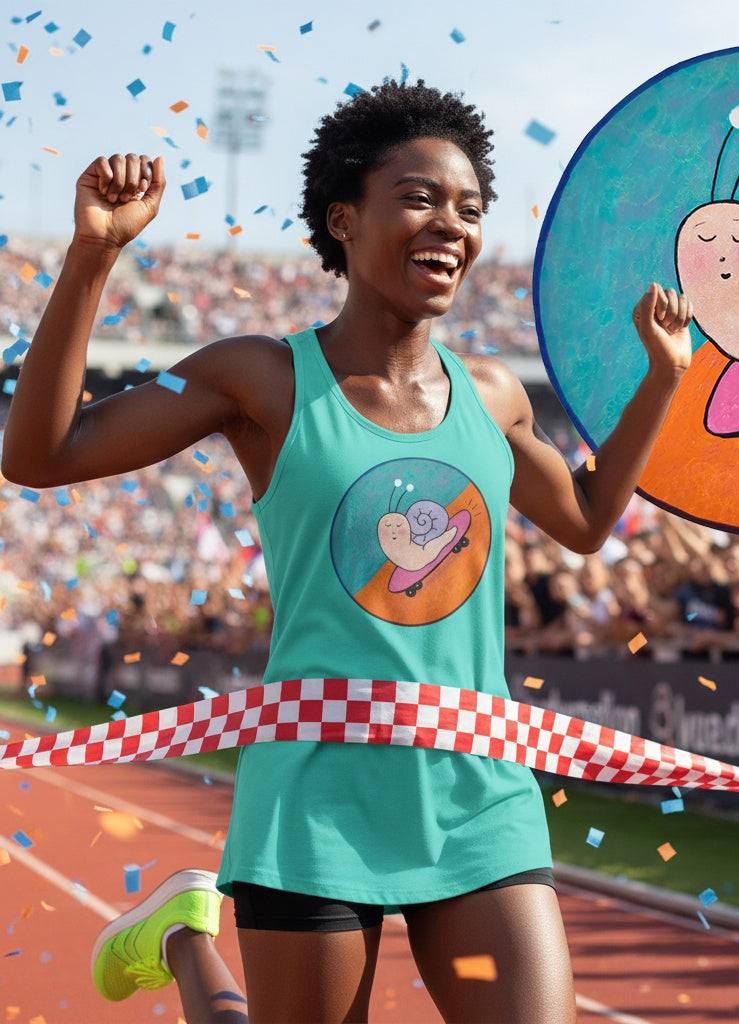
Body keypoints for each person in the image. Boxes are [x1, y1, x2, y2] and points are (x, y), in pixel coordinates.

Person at [1, 81, 693, 1024]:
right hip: (316, 796)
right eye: (418, 197)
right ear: (344, 219)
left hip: (475, 788)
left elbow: (583, 515)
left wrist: (664, 380)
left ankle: (181, 934)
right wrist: (93, 255)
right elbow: (41, 455)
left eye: (469, 208)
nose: (449, 224)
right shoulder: (261, 376)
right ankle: (183, 942)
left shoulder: (493, 395)